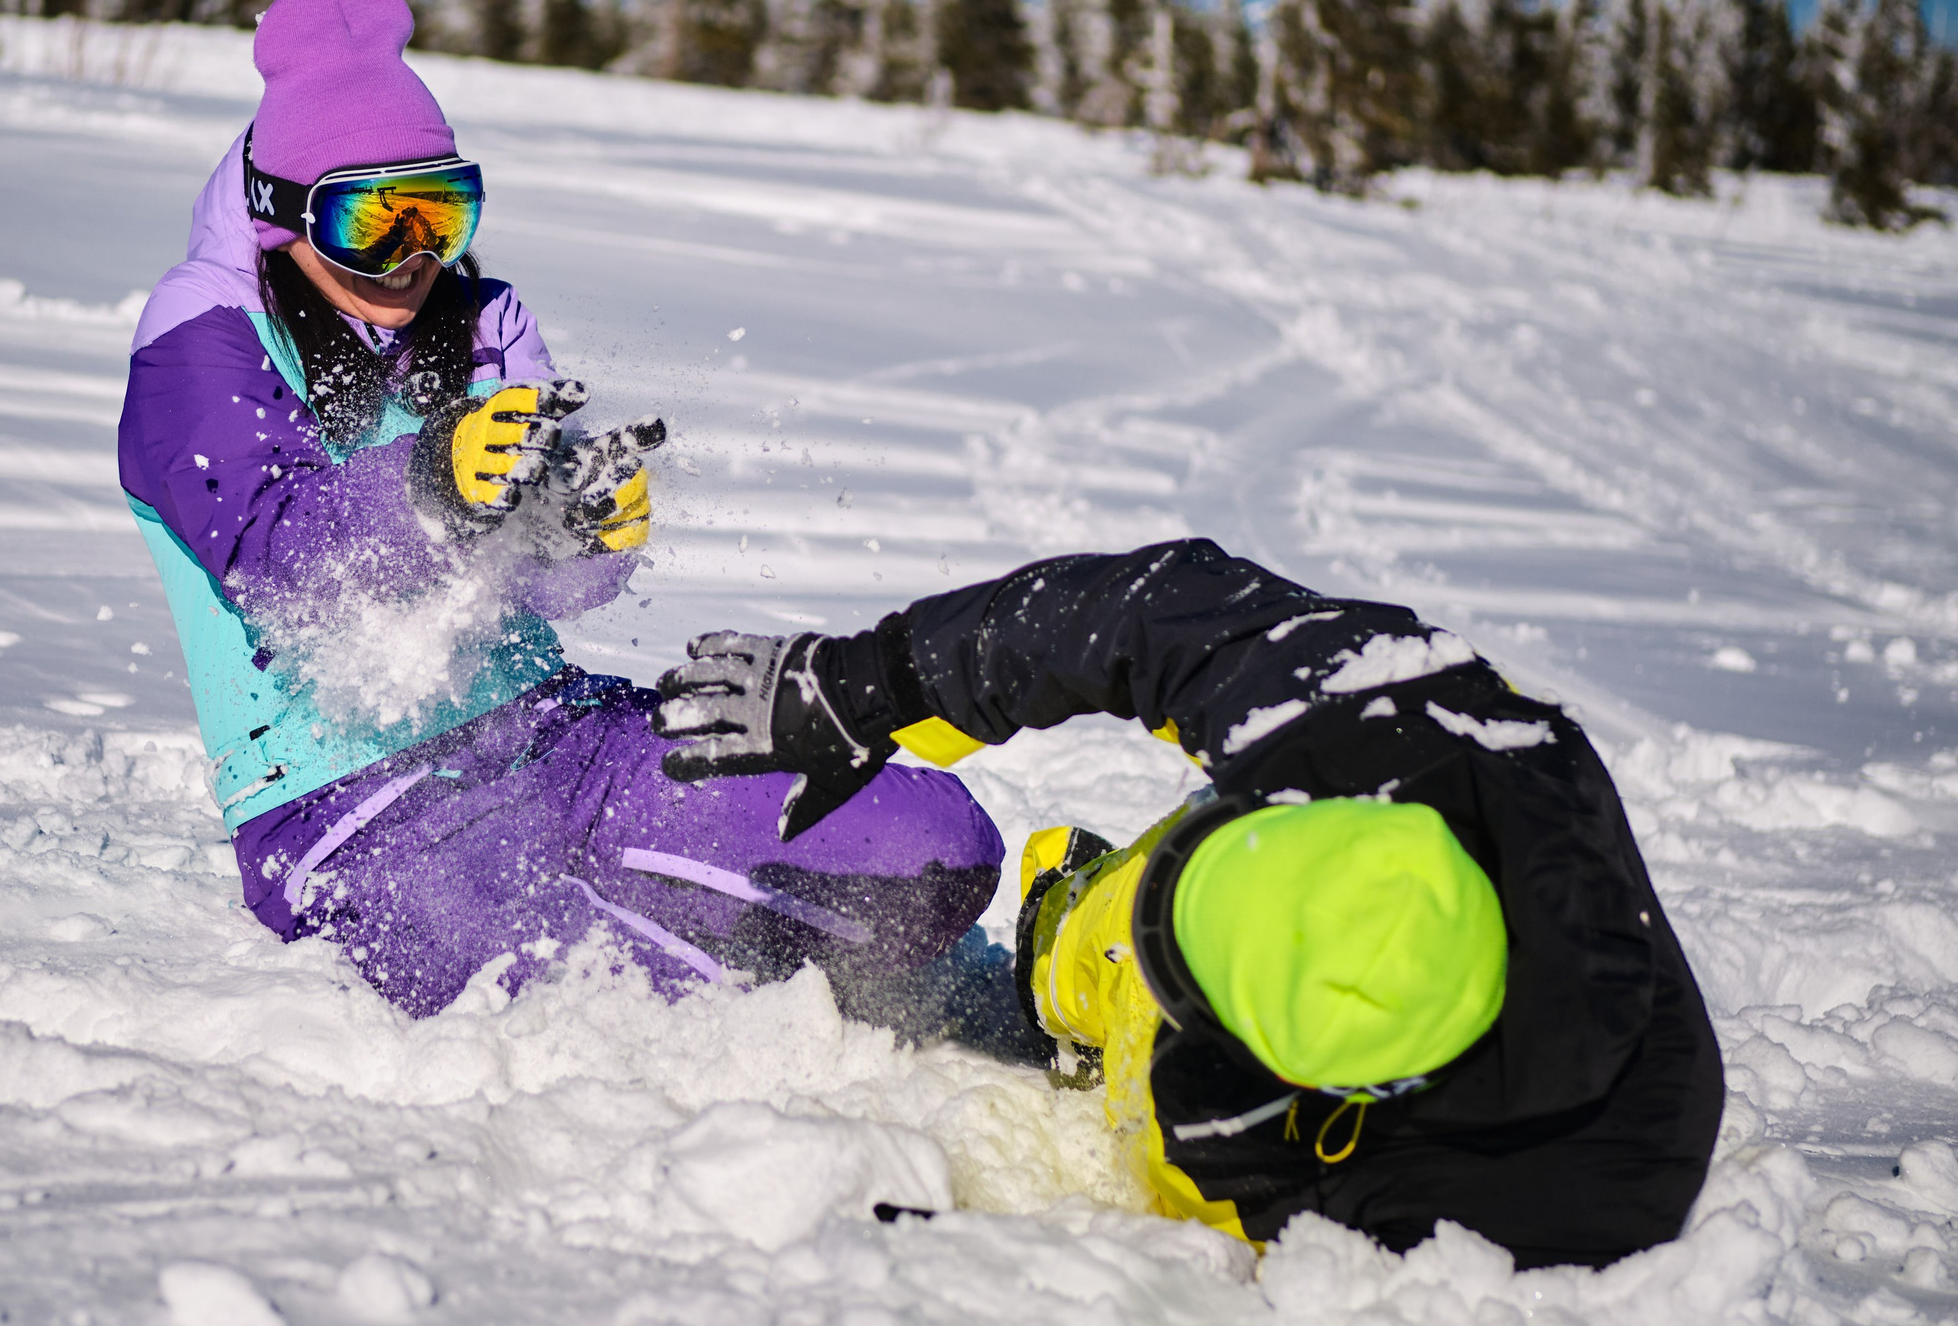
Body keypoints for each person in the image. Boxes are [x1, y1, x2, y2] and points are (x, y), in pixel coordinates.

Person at [119, 0, 1003, 1019]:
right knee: (597, 999)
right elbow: (273, 551)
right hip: (344, 804)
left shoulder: (480, 320)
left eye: (439, 211)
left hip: (547, 734)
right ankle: (741, 980)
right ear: (282, 216)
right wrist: (427, 484)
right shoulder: (203, 338)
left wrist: (583, 530)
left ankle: (733, 938)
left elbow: (557, 594)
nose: (411, 254)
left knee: (933, 850)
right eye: (368, 218)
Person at [652, 539, 1724, 1269]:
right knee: (1122, 927)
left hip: (1318, 1101)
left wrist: (963, 1251)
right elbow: (1150, 609)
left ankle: (1094, 979)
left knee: (1147, 1086)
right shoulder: (1396, 715)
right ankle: (1086, 922)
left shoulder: (1575, 1179)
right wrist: (872, 683)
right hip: (1297, 903)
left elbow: (1223, 1290)